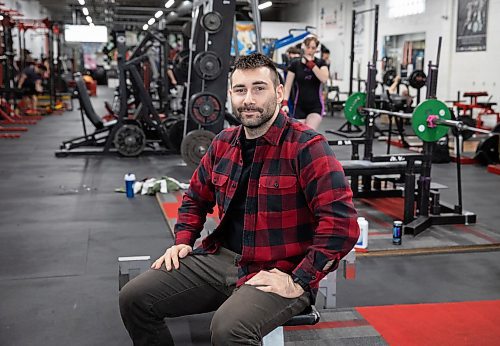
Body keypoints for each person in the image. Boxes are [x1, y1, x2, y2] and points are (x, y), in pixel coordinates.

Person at [119, 53, 359, 346]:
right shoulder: (222, 143)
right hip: (221, 257)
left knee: (227, 330)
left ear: (279, 92)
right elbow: (195, 197)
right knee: (134, 298)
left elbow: (341, 224)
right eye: (240, 90)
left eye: (259, 88)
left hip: (278, 269)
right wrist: (183, 240)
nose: (249, 99)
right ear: (230, 93)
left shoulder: (307, 147)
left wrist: (300, 279)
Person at [282, 36, 330, 130]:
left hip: (315, 106)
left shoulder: (321, 63)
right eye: (308, 47)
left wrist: (312, 65)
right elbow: (287, 86)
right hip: (299, 106)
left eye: (313, 48)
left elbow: (324, 79)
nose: (310, 50)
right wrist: (285, 103)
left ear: (316, 49)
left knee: (308, 133)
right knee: (299, 134)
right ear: (303, 47)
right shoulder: (295, 64)